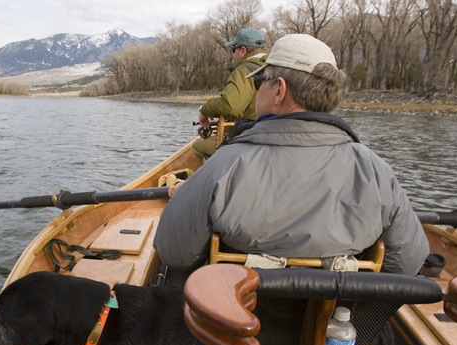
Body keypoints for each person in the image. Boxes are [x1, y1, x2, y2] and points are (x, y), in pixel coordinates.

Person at [155, 34, 429, 276]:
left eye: (261, 81)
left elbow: (174, 254)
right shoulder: (375, 170)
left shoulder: (225, 163)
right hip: (336, 324)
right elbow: (407, 263)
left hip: (237, 322)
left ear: (279, 90)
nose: (258, 89)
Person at [193, 28, 268, 165]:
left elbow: (230, 106)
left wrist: (204, 109)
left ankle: (207, 184)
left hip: (247, 140)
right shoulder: (274, 67)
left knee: (199, 147)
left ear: (243, 51)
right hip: (265, 137)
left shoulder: (244, 70)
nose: (233, 55)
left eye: (234, 50)